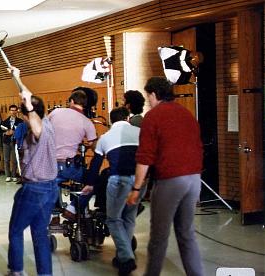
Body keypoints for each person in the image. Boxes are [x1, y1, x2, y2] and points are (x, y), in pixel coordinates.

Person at [127, 77, 204, 276]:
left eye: (148, 97)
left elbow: (145, 157)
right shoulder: (186, 113)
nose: (148, 101)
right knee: (187, 234)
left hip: (171, 180)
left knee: (159, 237)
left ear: (153, 94)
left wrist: (136, 188)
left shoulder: (153, 116)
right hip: (194, 179)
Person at [6, 66, 58, 276]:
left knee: (16, 230)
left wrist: (27, 109)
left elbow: (35, 124)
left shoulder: (39, 128)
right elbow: (33, 104)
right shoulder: (47, 121)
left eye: (25, 114)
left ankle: (16, 271)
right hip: (50, 188)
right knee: (39, 233)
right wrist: (17, 78)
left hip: (35, 189)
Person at [81, 107, 143, 275]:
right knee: (128, 218)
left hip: (119, 181)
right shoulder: (140, 132)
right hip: (139, 181)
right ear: (128, 118)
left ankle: (127, 257)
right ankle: (123, 255)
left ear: (111, 121)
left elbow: (96, 164)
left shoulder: (105, 138)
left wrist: (90, 184)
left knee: (113, 219)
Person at [48, 89, 97, 219]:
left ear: (71, 101)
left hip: (50, 165)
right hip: (70, 168)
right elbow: (94, 145)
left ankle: (55, 216)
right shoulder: (87, 122)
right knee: (94, 182)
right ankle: (73, 208)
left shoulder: (55, 112)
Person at [1, 105, 23, 182]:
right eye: (11, 110)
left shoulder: (20, 121)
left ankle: (14, 175)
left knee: (14, 160)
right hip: (6, 142)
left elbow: (22, 131)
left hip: (15, 142)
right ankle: (8, 175)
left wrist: (14, 132)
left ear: (17, 111)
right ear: (9, 111)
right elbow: (1, 131)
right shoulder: (5, 121)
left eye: (14, 110)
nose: (13, 112)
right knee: (6, 159)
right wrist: (5, 133)